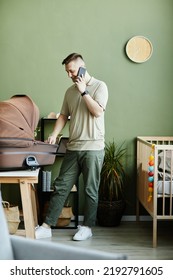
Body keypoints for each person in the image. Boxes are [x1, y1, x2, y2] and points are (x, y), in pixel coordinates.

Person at [35, 53, 108, 241]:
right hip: (73, 147)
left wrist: (84, 91)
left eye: (72, 70)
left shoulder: (100, 86)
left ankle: (87, 227)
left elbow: (97, 111)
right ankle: (46, 226)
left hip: (93, 148)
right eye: (67, 71)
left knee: (90, 189)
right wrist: (54, 134)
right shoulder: (69, 91)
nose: (69, 74)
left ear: (82, 67)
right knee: (61, 186)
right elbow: (63, 116)